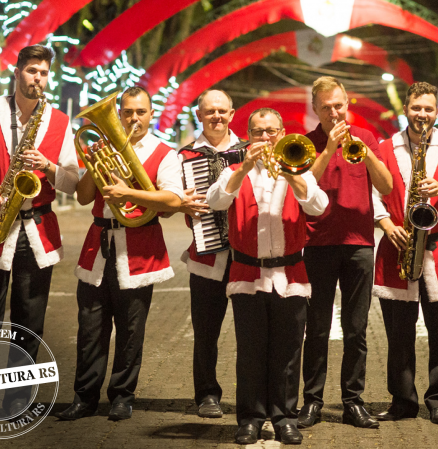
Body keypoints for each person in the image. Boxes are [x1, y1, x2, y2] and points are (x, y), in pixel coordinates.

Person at [0, 45, 80, 414]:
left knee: (30, 321)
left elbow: (73, 181)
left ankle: (16, 400)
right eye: (31, 70)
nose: (37, 78)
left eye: (43, 72)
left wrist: (49, 165)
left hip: (36, 230)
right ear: (17, 71)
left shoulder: (58, 120)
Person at [56, 86, 183, 422]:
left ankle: (122, 396)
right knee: (90, 327)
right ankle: (84, 397)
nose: (133, 119)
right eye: (127, 112)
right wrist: (94, 165)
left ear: (151, 114)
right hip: (99, 245)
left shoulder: (164, 153)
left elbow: (173, 201)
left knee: (130, 329)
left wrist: (126, 189)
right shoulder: (100, 147)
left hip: (140, 248)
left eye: (140, 112)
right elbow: (83, 197)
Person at [207, 108, 328, 444]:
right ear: (248, 135)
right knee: (250, 352)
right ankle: (250, 418)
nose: (265, 138)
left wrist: (293, 173)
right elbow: (215, 201)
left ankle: (284, 417)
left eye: (271, 131)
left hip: (291, 275)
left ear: (282, 133)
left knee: (288, 352)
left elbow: (319, 206)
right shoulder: (233, 170)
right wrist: (244, 168)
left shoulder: (299, 167)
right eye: (258, 132)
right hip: (247, 273)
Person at [371, 82, 438, 425]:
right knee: (398, 334)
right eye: (416, 108)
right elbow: (371, 193)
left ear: (437, 111)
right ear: (406, 110)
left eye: (428, 109)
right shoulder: (385, 148)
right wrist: (386, 224)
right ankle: (402, 401)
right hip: (397, 245)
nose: (422, 115)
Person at [298, 76, 393, 430]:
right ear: (316, 109)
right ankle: (312, 401)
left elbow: (386, 186)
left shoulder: (366, 138)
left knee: (356, 329)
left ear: (347, 103)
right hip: (317, 244)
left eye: (338, 105)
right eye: (326, 107)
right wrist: (326, 150)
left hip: (359, 245)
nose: (334, 112)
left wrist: (365, 153)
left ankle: (353, 401)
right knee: (317, 328)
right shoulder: (305, 144)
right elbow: (304, 188)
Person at [177, 89, 247, 418]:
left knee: (251, 332)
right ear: (199, 116)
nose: (216, 116)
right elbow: (174, 197)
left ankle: (252, 393)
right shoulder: (185, 156)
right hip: (206, 258)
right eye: (209, 111)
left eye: (222, 111)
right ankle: (206, 394)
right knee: (206, 332)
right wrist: (182, 204)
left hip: (246, 256)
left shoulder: (249, 152)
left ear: (232, 114)